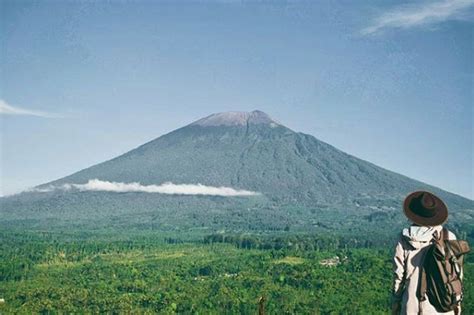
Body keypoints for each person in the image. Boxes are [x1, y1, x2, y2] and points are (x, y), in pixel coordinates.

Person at [391, 191, 462, 315]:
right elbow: (456, 274)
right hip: (442, 303)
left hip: (412, 304)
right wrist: (457, 303)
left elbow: (399, 275)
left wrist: (396, 301)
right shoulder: (448, 237)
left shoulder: (404, 238)